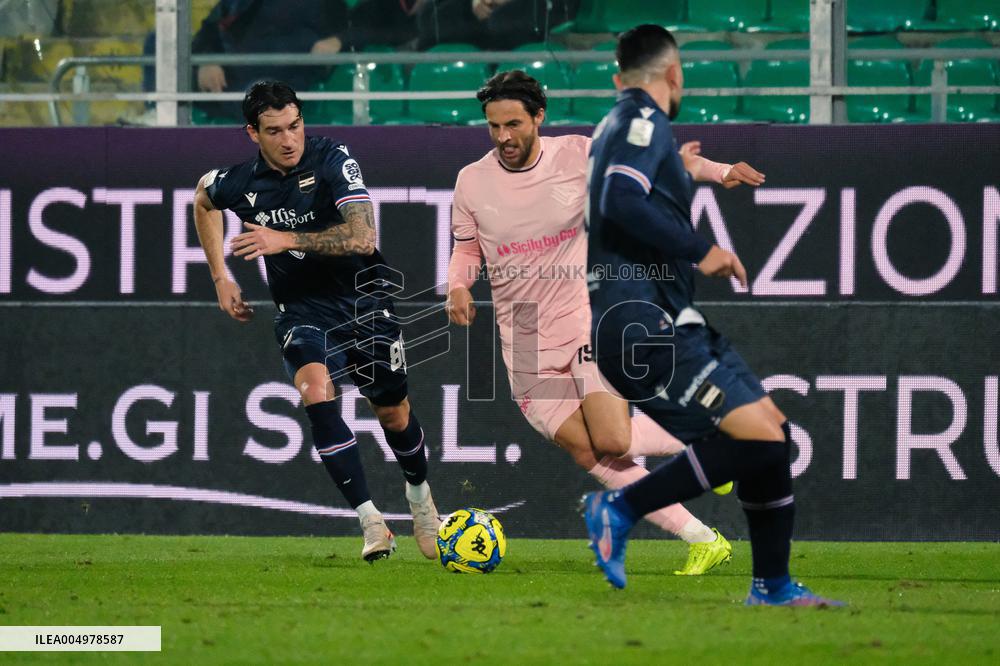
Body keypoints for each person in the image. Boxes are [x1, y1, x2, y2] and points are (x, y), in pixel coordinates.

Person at [446, 70, 765, 575]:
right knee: (584, 448)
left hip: (585, 319)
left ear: (538, 118)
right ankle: (703, 537)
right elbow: (466, 248)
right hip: (523, 337)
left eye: (513, 124)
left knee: (613, 440)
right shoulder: (471, 180)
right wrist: (459, 286)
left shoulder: (577, 155)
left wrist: (720, 171)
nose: (503, 137)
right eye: (493, 127)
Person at [581, 25, 843, 606]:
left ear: (620, 75)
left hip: (664, 317)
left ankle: (772, 586)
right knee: (755, 439)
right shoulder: (642, 120)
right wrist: (703, 249)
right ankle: (618, 507)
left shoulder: (620, 126)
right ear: (674, 74)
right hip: (641, 320)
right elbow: (620, 199)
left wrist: (692, 170)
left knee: (771, 434)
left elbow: (634, 183)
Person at [193, 80, 440, 562]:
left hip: (365, 302)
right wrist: (220, 276)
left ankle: (419, 498)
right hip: (303, 311)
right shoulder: (239, 182)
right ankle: (371, 521)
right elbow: (203, 199)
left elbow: (364, 238)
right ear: (252, 134)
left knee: (392, 412)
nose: (289, 140)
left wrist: (286, 239)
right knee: (315, 390)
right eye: (275, 131)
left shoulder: (332, 158)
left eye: (295, 125)